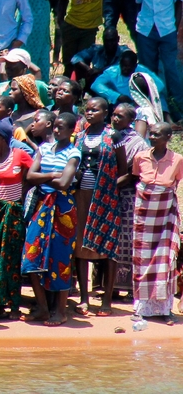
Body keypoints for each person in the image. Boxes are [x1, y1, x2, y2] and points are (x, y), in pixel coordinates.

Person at [22, 112, 81, 327]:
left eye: (62, 127)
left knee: (61, 259)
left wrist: (45, 177)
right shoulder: (44, 148)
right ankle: (43, 308)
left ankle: (60, 311)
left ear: (71, 129)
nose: (57, 130)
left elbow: (65, 183)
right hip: (42, 205)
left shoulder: (74, 153)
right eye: (55, 126)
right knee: (31, 255)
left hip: (63, 208)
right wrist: (53, 175)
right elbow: (30, 176)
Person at [73, 97, 126, 317]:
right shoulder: (80, 137)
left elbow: (124, 171)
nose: (90, 112)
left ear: (106, 113)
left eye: (96, 110)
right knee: (80, 245)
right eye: (88, 109)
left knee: (108, 247)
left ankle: (106, 300)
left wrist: (110, 190)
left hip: (105, 199)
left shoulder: (114, 136)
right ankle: (84, 298)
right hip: (80, 197)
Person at [132, 122, 182, 325]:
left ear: (168, 137)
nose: (152, 137)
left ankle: (164, 309)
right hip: (143, 213)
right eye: (151, 134)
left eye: (157, 134)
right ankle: (141, 308)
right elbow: (137, 180)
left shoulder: (177, 160)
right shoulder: (141, 156)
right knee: (141, 256)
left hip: (165, 213)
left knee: (165, 258)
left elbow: (175, 185)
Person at [58, 0, 138, 77]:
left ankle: (79, 89)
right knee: (69, 63)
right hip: (72, 26)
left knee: (83, 62)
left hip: (90, 28)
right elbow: (63, 2)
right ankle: (66, 85)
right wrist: (60, 21)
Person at [0, 120, 33, 319]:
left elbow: (33, 177)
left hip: (13, 213)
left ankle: (14, 305)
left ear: (3, 136)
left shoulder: (20, 155)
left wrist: (23, 197)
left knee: (11, 259)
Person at [133, 0, 183, 119]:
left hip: (167, 28)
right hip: (146, 29)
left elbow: (179, 2)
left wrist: (175, 25)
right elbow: (138, 3)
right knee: (149, 70)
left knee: (170, 69)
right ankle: (154, 110)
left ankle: (177, 108)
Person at [110, 103, 147, 296]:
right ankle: (109, 287)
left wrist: (111, 185)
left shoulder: (138, 143)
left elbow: (134, 173)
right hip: (108, 194)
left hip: (127, 195)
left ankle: (128, 288)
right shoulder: (108, 136)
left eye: (120, 116)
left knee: (126, 240)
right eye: (114, 115)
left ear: (131, 121)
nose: (115, 119)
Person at [91, 50, 166, 106]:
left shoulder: (142, 70)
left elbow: (160, 84)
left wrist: (143, 98)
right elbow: (95, 85)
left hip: (141, 103)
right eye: (123, 66)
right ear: (119, 63)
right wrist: (116, 96)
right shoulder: (112, 71)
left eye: (128, 67)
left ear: (135, 66)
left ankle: (168, 119)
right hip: (119, 104)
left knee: (159, 96)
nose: (125, 69)